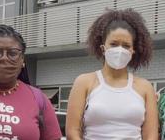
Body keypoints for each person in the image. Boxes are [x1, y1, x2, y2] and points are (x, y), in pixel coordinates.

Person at [66, 8, 158, 140]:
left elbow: (151, 135)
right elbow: (72, 131)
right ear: (103, 48)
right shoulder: (84, 82)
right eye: (114, 44)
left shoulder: (145, 87)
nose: (120, 49)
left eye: (126, 45)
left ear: (133, 50)